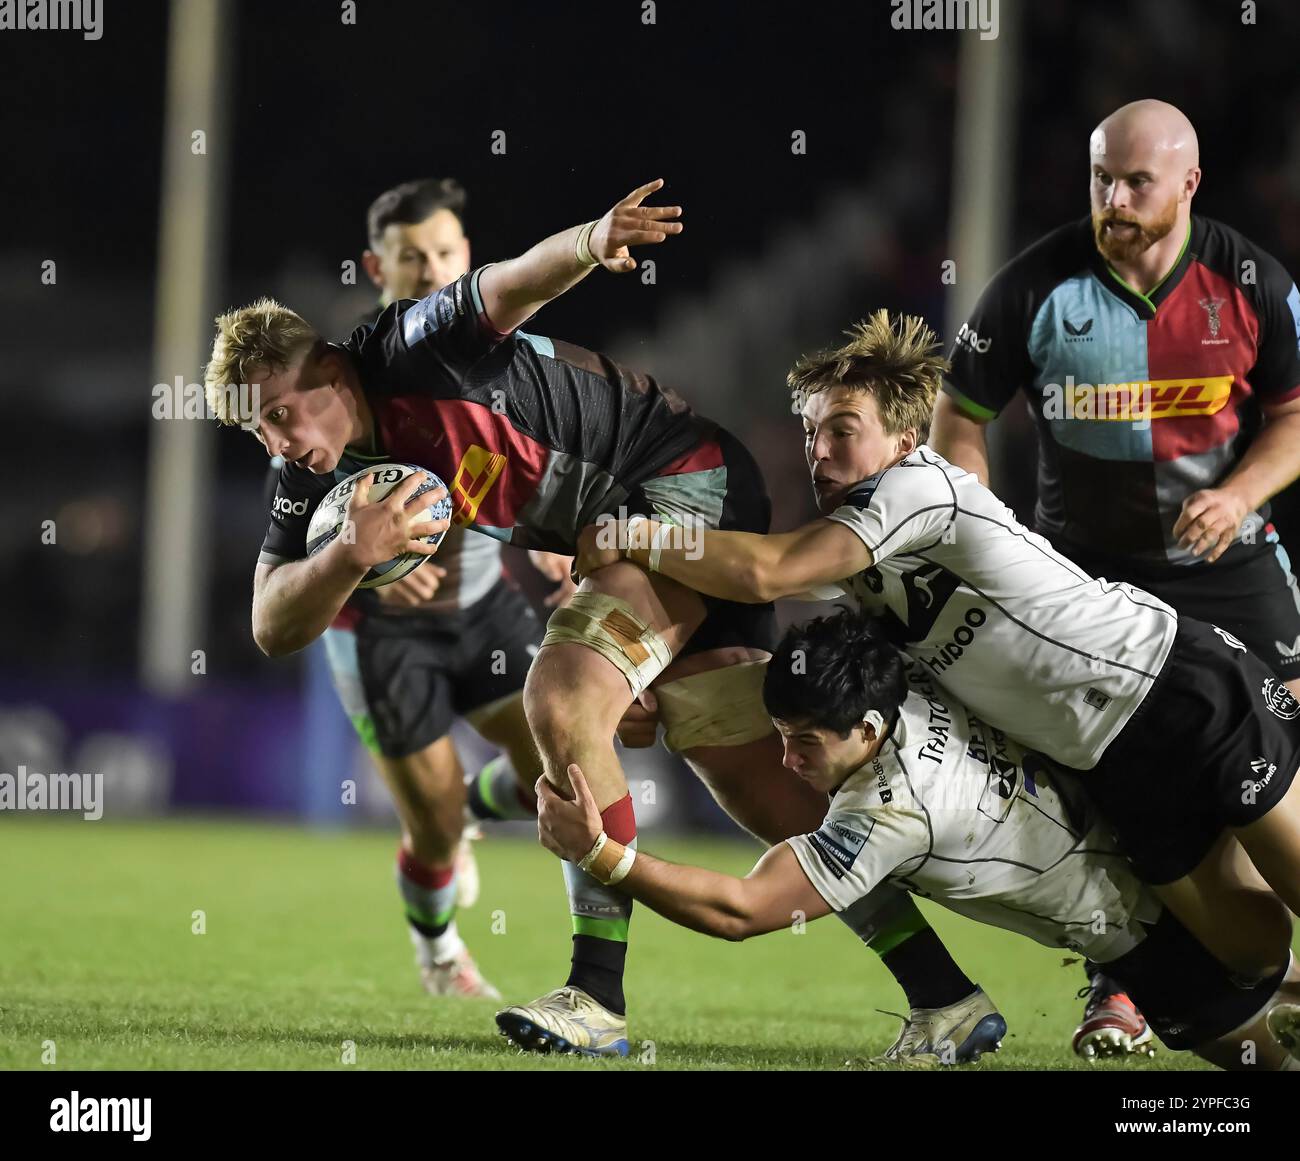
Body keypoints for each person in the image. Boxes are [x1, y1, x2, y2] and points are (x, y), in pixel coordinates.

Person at [206, 180, 995, 1059]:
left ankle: (595, 995)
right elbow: (271, 622)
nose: (277, 442)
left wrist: (589, 238)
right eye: (256, 432)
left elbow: (509, 284)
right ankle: (946, 995)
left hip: (680, 486)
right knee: (765, 790)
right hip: (635, 523)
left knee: (563, 695)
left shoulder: (409, 344)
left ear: (325, 367)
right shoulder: (311, 476)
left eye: (280, 413)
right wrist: (348, 554)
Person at [575, 308, 1300, 1059]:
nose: (818, 452)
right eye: (809, 433)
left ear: (903, 439)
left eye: (842, 430)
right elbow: (775, 641)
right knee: (1254, 949)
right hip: (1115, 762)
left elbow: (765, 570)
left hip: (1168, 687)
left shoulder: (921, 490)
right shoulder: (860, 572)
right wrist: (649, 691)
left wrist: (635, 534)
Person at [533, 608, 1300, 1071]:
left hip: (1157, 945)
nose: (786, 758)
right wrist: (650, 704)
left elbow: (742, 910)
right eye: (781, 734)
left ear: (863, 731)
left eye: (804, 742)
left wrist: (601, 852)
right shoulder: (911, 677)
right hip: (1166, 840)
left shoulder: (890, 816)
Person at [931, 99, 1300, 1053]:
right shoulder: (1033, 286)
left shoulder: (1251, 281)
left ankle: (1255, 971)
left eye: (1138, 181)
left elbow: (1296, 418)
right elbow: (958, 421)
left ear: (1189, 183)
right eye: (1102, 178)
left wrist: (1240, 491)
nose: (1115, 198)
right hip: (1092, 589)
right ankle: (1131, 982)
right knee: (1119, 792)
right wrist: (988, 533)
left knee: (1271, 772)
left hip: (1231, 574)